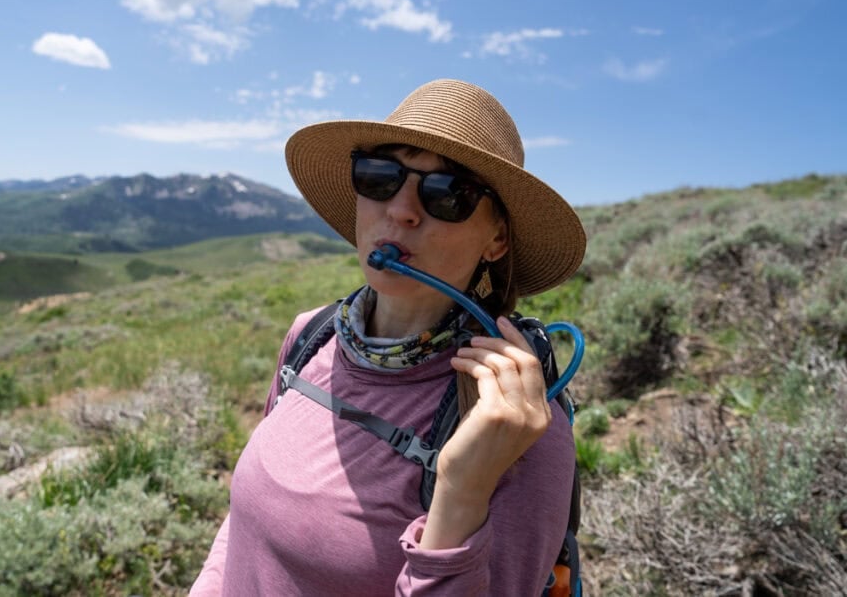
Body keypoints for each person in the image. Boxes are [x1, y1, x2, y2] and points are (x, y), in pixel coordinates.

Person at [190, 79, 586, 595]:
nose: (401, 209)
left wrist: (461, 492)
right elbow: (244, 525)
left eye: (448, 193)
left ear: (497, 239)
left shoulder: (515, 426)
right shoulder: (311, 336)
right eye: (380, 176)